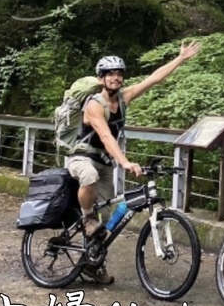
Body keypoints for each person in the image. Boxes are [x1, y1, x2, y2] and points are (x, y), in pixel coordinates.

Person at [64, 41, 202, 284]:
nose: (116, 78)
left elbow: (154, 79)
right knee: (89, 178)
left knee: (105, 221)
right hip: (82, 157)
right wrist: (126, 163)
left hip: (105, 163)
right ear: (101, 78)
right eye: (110, 74)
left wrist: (180, 59)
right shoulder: (95, 105)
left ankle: (92, 265)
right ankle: (86, 218)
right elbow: (105, 136)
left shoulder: (124, 98)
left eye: (119, 74)